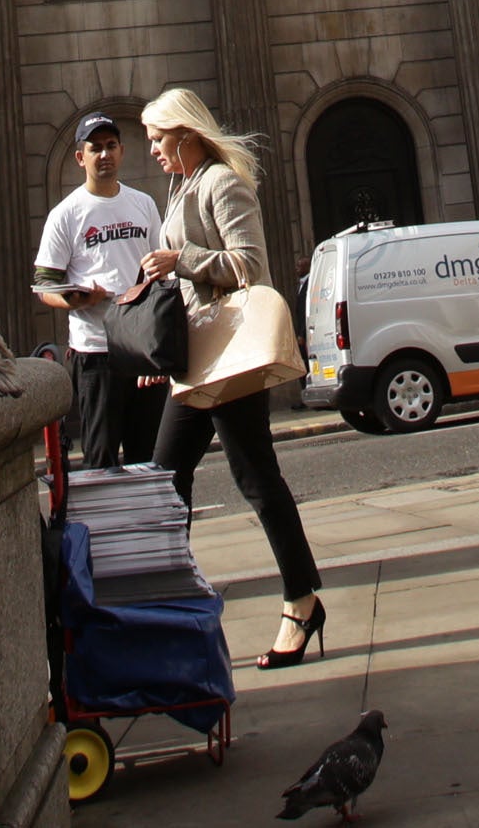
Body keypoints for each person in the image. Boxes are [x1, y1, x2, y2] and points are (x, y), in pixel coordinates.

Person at [135, 88, 327, 666]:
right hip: (197, 361)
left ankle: (301, 601)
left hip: (231, 360)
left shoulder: (220, 182)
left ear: (187, 135)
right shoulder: (182, 187)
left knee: (257, 480)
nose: (153, 151)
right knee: (165, 481)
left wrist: (181, 258)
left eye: (158, 139)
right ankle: (172, 607)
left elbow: (249, 265)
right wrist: (161, 356)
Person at [33, 113, 162, 469]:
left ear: (121, 152)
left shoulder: (144, 204)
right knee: (101, 459)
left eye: (110, 146)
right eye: (95, 148)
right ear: (81, 157)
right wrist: (76, 299)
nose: (104, 155)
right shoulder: (66, 215)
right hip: (95, 352)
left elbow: (159, 270)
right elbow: (43, 285)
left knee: (148, 459)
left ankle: (146, 525)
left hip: (142, 351)